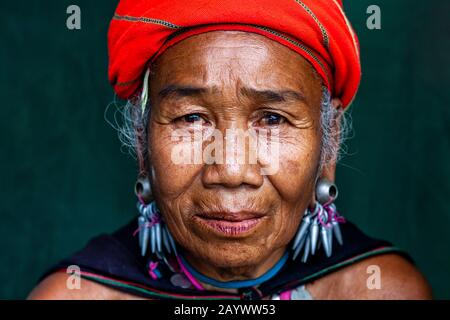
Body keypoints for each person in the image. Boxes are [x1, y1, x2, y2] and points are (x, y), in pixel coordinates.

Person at [29, 0, 432, 300]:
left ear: (329, 144)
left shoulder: (381, 291)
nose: (232, 170)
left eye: (273, 120)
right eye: (191, 119)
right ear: (142, 142)